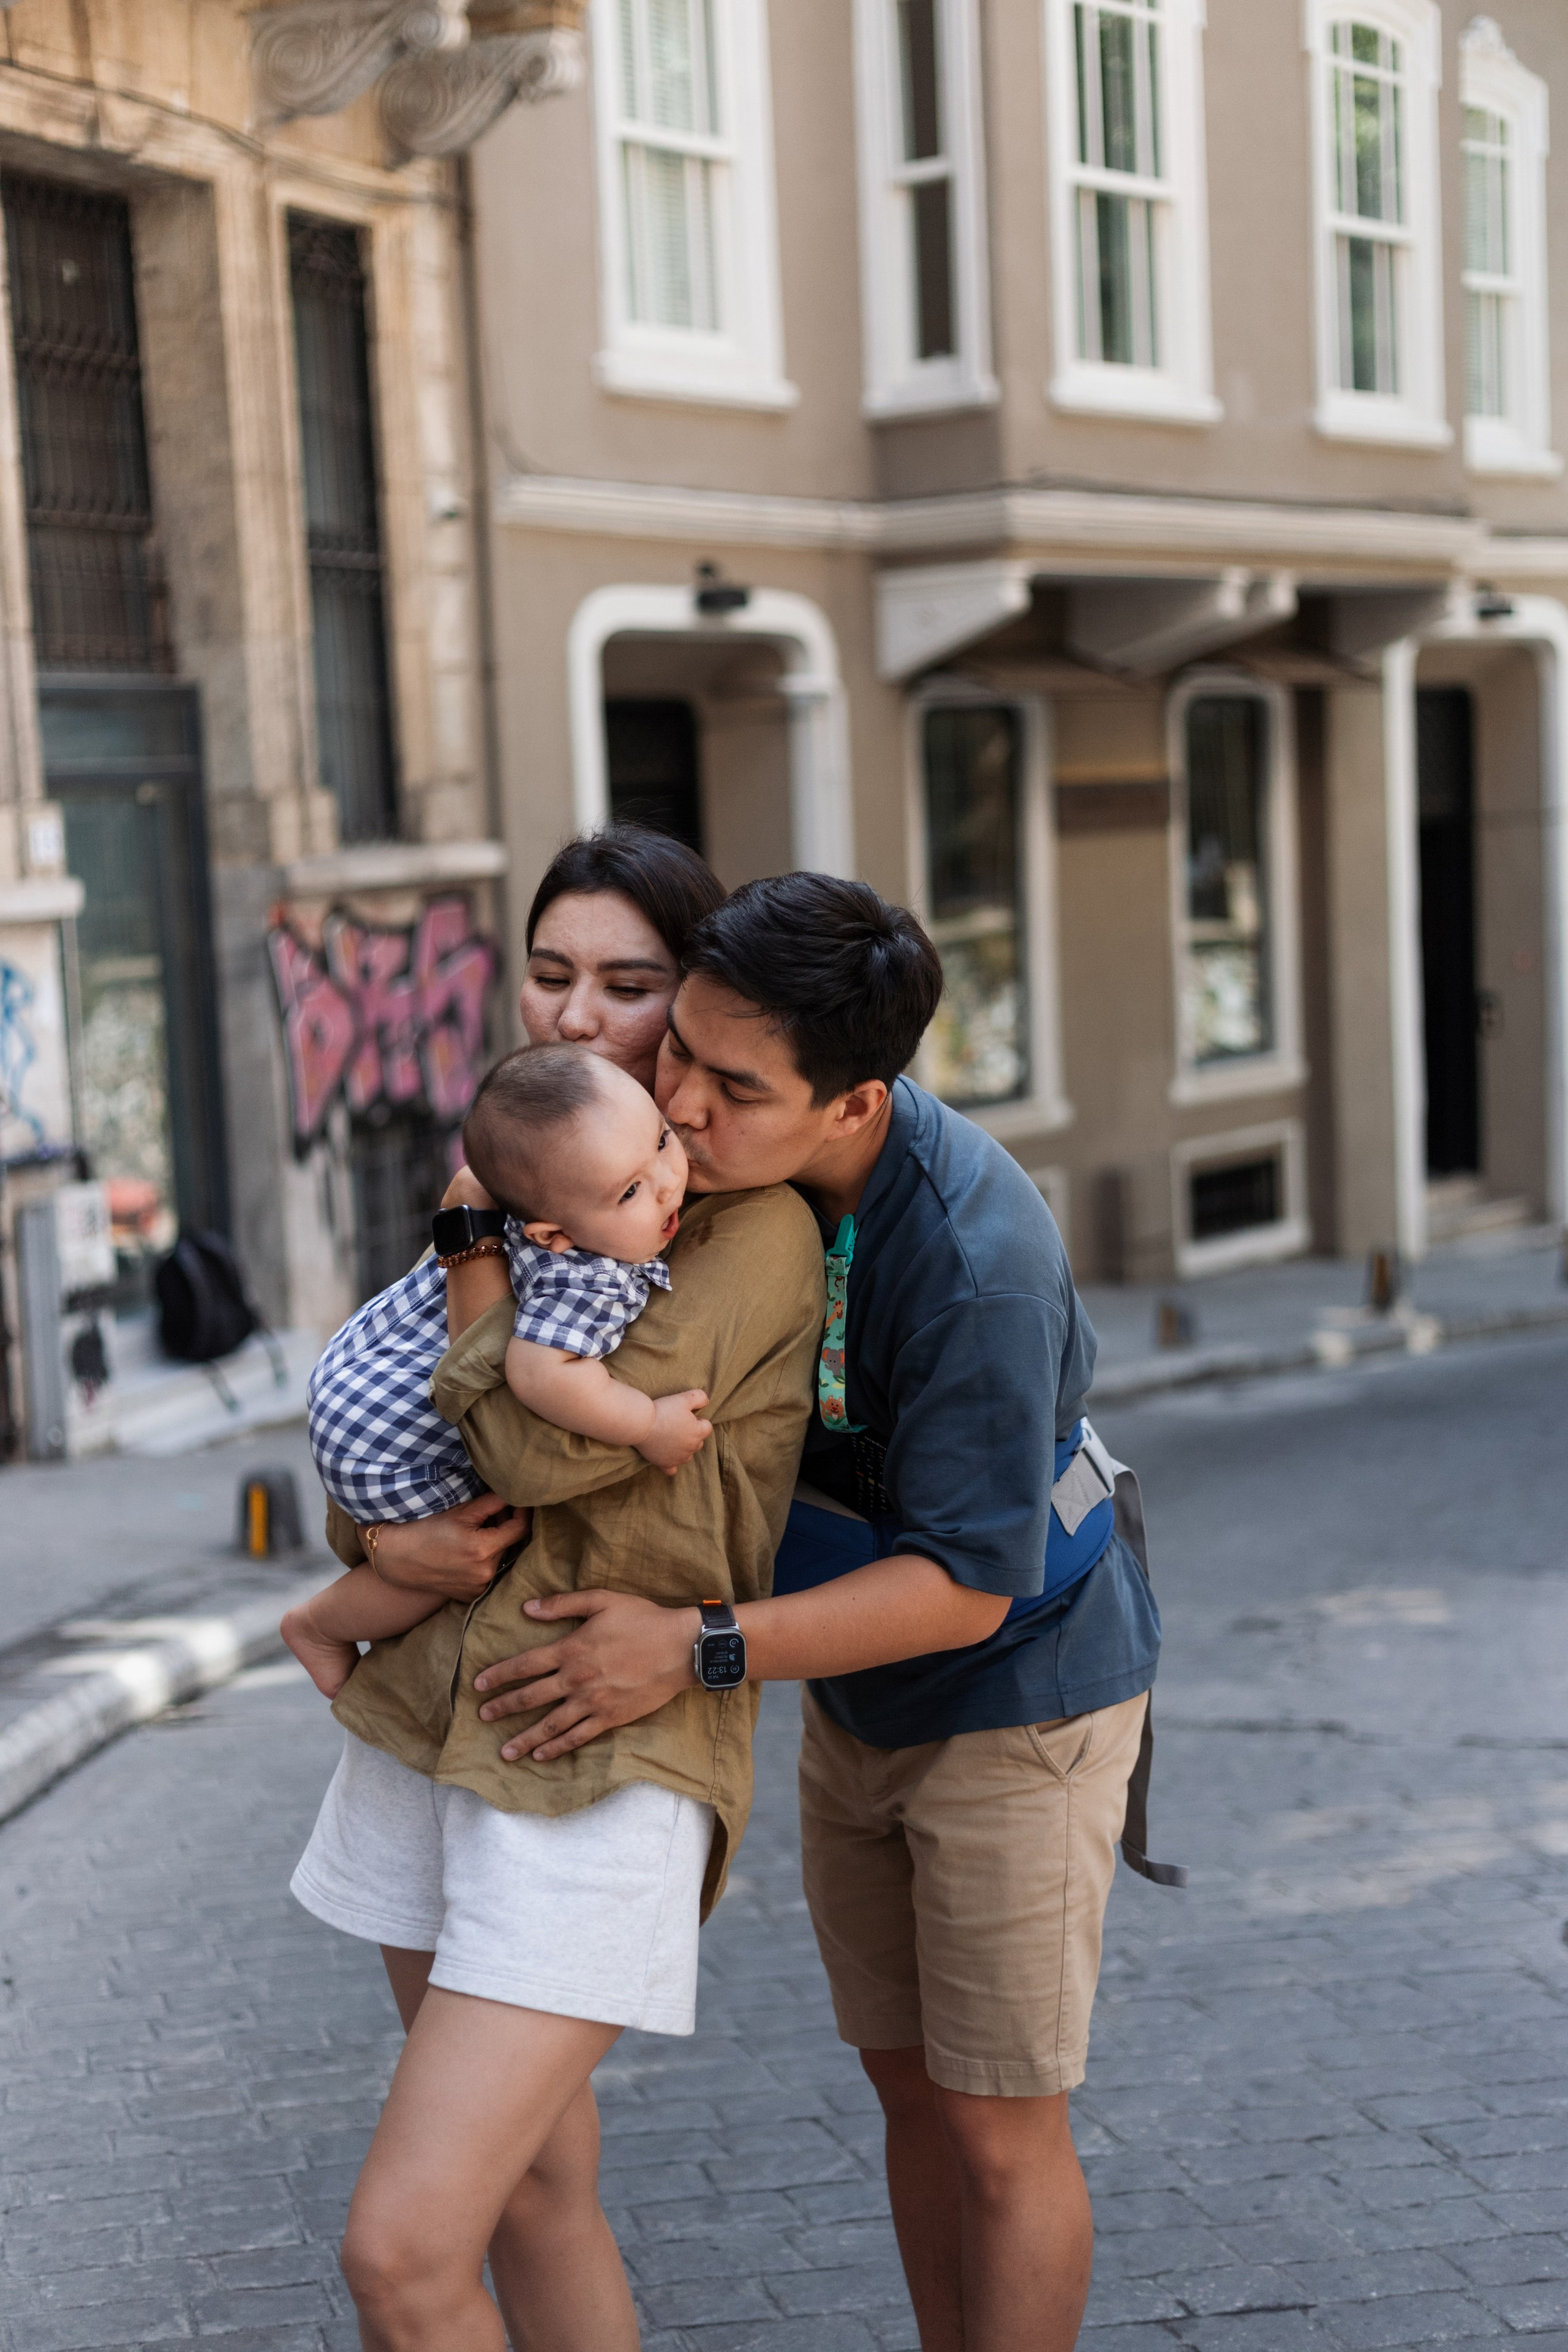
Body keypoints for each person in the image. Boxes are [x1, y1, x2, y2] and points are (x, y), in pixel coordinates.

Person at [465, 873, 1166, 2352]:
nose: (681, 1103)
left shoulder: (974, 1258)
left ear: (853, 1103)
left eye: (731, 1084)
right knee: (907, 2089)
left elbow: (966, 1582)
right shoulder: (717, 1180)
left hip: (1017, 1703)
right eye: (680, 1057)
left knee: (998, 2126)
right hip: (856, 1693)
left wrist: (692, 1645)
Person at [288, 828, 829, 2352]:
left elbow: (528, 1450)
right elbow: (389, 1444)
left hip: (595, 1762)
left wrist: (472, 1248)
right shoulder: (532, 1180)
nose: (578, 1016)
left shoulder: (737, 1230)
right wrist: (368, 1561)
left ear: (700, 1000)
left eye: (627, 982)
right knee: (533, 2188)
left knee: (398, 2255)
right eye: (549, 974)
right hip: (424, 1717)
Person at [282, 1042, 711, 1698]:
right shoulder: (588, 1277)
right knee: (465, 1557)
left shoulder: (539, 1184)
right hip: (389, 1442)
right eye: (629, 1191)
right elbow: (541, 1373)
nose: (666, 1182)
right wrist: (647, 1423)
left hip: (361, 1366)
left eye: (660, 1140)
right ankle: (321, 1626)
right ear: (550, 1236)